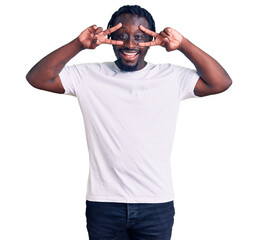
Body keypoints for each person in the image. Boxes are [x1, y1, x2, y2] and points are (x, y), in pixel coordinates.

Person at [26, 5, 232, 240]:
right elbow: (37, 78)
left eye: (139, 38)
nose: (130, 45)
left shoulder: (171, 77)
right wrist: (78, 44)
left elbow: (220, 82)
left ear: (152, 40)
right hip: (104, 204)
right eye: (122, 36)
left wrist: (183, 44)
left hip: (156, 203)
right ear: (110, 37)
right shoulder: (87, 76)